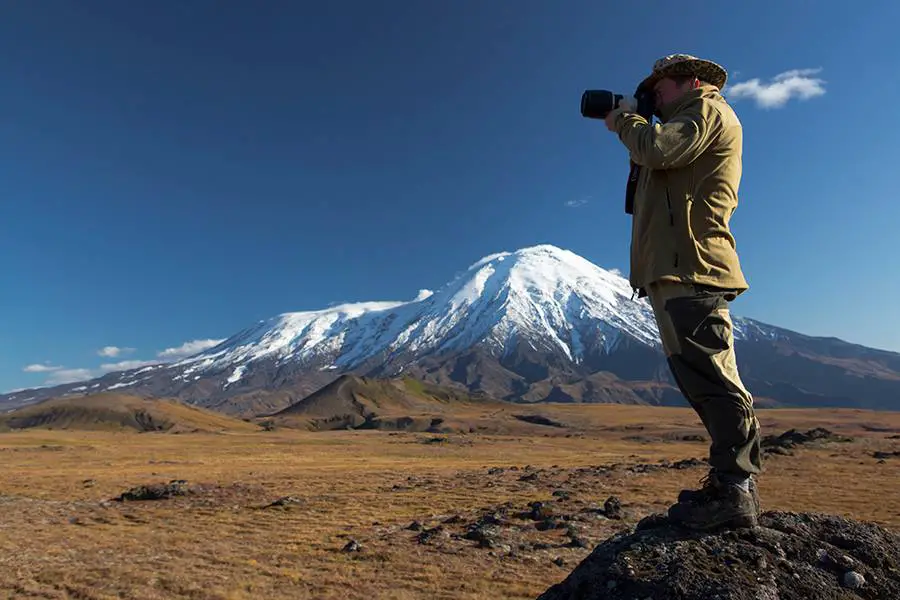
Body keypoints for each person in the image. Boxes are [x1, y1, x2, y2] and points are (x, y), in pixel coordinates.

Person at [604, 54, 762, 530]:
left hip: (693, 268)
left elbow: (656, 149)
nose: (654, 98)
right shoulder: (685, 120)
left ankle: (735, 490)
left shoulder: (706, 111)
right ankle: (728, 486)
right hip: (673, 271)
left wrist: (626, 119)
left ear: (691, 82)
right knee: (700, 378)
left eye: (660, 90)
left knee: (714, 376)